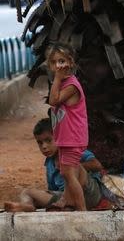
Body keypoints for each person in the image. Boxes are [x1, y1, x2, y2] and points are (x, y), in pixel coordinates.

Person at [4, 118, 103, 212]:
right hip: (65, 198)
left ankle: (80, 209)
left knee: (72, 164)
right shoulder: (49, 163)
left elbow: (97, 165)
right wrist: (44, 198)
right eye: (40, 143)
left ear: (60, 137)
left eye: (48, 140)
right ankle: (28, 205)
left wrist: (68, 167)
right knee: (27, 192)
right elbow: (52, 190)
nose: (44, 146)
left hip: (89, 194)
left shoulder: (72, 151)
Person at [46, 43, 89, 210]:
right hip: (65, 138)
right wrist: (57, 80)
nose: (58, 66)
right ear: (50, 65)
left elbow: (53, 101)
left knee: (68, 174)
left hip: (74, 138)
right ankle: (68, 201)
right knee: (64, 171)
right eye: (54, 62)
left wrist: (56, 78)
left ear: (70, 63)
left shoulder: (71, 85)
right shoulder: (62, 84)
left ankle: (82, 210)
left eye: (62, 61)